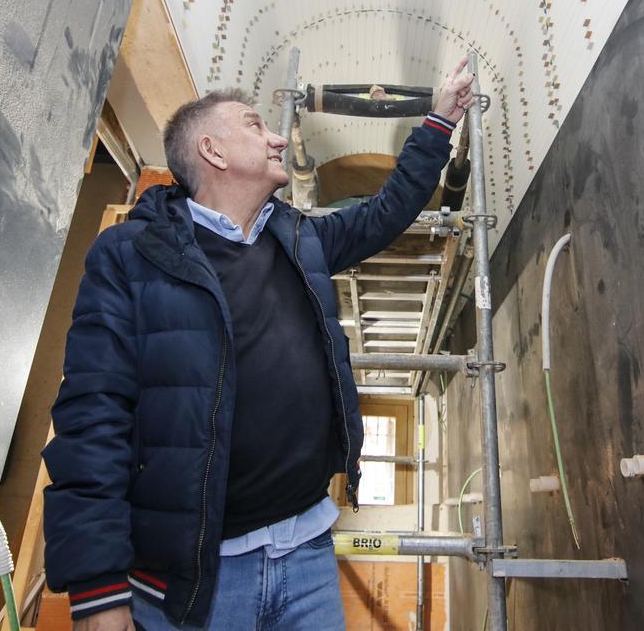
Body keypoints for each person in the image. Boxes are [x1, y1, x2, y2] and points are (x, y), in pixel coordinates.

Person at [42, 58, 477, 630]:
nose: (276, 136)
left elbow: (385, 213)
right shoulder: (130, 256)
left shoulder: (298, 239)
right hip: (199, 579)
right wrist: (98, 590)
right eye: (254, 125)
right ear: (212, 152)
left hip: (306, 553)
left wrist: (440, 121)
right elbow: (92, 417)